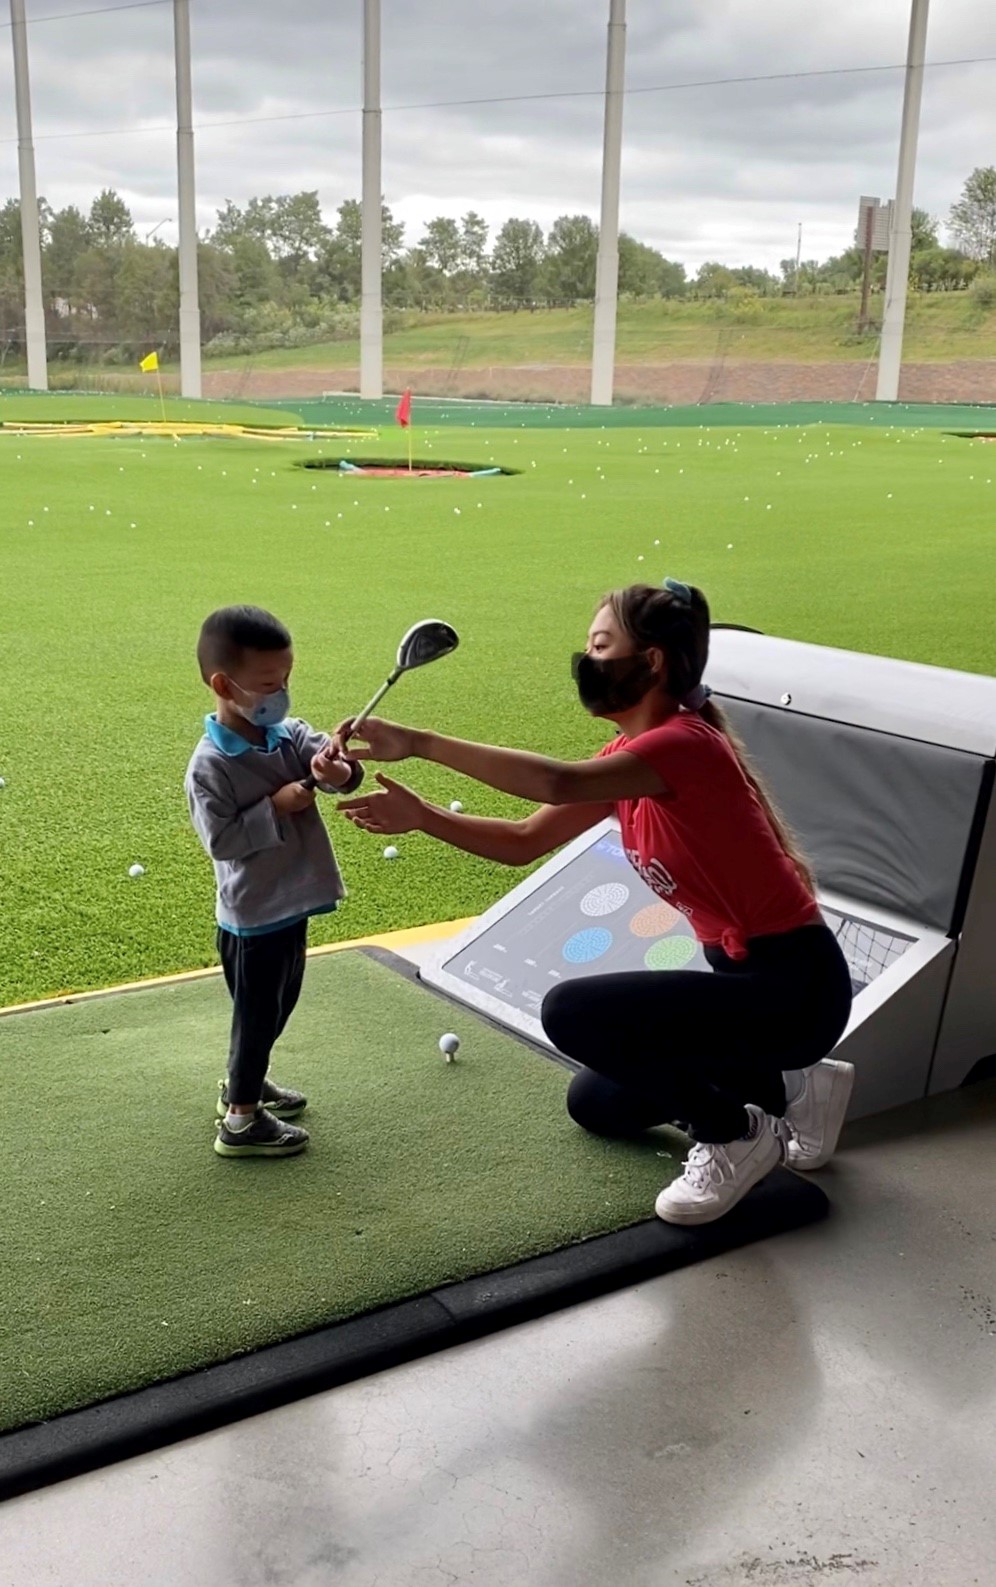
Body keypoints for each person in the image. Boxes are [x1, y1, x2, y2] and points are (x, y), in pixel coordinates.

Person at [335, 579, 855, 1225]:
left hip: (793, 991)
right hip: (740, 988)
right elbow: (524, 841)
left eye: (601, 644)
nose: (587, 659)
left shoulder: (683, 745)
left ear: (653, 661)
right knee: (598, 1104)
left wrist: (421, 742)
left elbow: (556, 779)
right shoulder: (630, 760)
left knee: (574, 1012)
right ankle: (794, 1086)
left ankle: (736, 1135)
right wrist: (423, 815)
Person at [186, 605, 362, 1159]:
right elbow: (221, 840)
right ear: (224, 684)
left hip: (291, 904)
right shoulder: (210, 764)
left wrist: (339, 770)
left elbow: (334, 771)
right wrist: (277, 806)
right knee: (258, 1014)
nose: (281, 692)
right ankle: (240, 1120)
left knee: (276, 1007)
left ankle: (248, 1080)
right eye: (268, 683)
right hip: (252, 915)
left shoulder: (287, 734)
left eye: (286, 679)